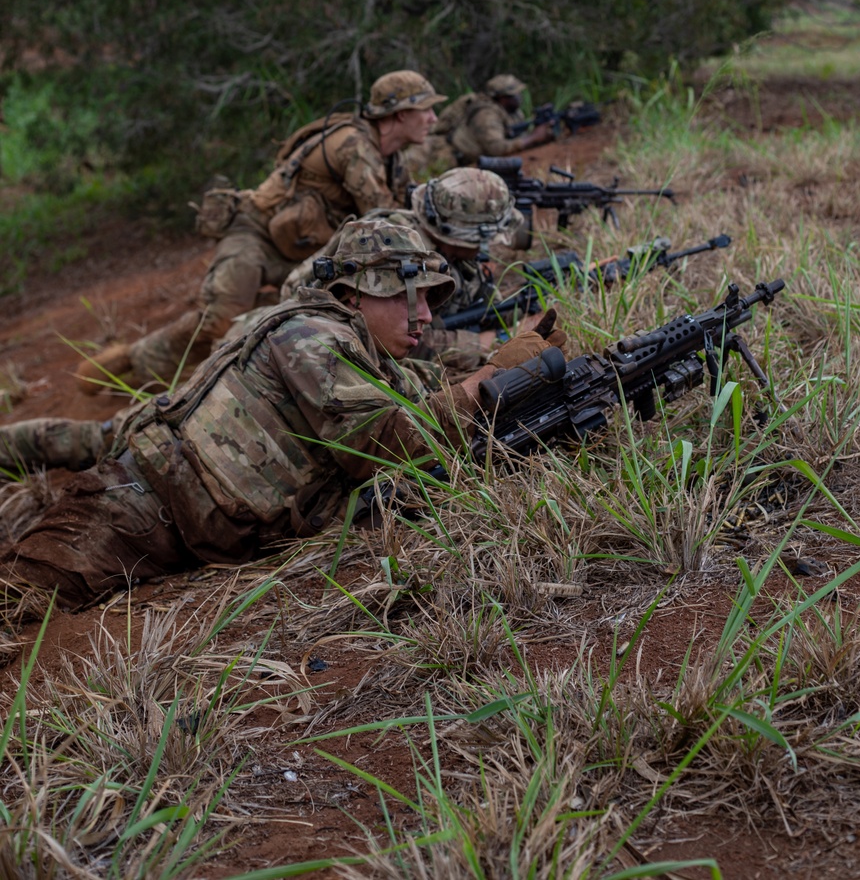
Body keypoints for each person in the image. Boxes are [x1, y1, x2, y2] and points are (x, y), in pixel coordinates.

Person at [0, 219, 561, 613]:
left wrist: (507, 364)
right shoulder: (312, 336)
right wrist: (489, 380)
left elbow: (425, 398)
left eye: (430, 300)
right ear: (354, 294)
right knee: (17, 595)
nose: (422, 315)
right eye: (405, 296)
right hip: (136, 507)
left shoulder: (369, 355)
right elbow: (385, 446)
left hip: (188, 528)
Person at [76, 71, 445, 391]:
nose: (432, 117)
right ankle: (139, 364)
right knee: (220, 316)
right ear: (399, 113)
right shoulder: (355, 146)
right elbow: (382, 221)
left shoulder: (392, 158)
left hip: (302, 249)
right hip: (255, 231)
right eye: (425, 109)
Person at [280, 166, 531, 369]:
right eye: (482, 239)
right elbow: (390, 332)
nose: (484, 247)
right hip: (309, 345)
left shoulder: (446, 251)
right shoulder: (393, 248)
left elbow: (478, 299)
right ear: (461, 235)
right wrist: (480, 343)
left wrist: (523, 309)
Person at [420, 74, 555, 170]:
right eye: (514, 94)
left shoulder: (511, 112)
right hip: (440, 157)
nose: (519, 97)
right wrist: (533, 138)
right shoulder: (486, 115)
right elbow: (496, 149)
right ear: (502, 98)